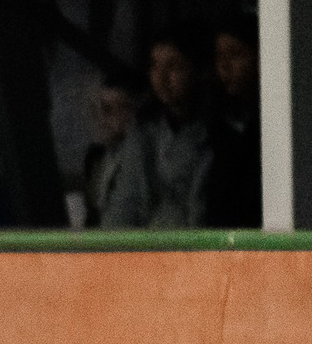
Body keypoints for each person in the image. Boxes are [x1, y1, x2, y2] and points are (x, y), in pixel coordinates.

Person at [100, 29, 213, 230]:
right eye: (155, 66)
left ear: (199, 71)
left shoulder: (216, 134)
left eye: (174, 66)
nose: (160, 77)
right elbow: (124, 205)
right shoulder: (143, 134)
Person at [201, 16, 261, 230]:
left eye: (235, 54)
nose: (225, 66)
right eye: (220, 57)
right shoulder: (215, 120)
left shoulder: (271, 122)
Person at [80, 80, 135, 229]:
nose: (101, 117)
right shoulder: (96, 158)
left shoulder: (141, 159)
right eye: (98, 109)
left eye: (108, 109)